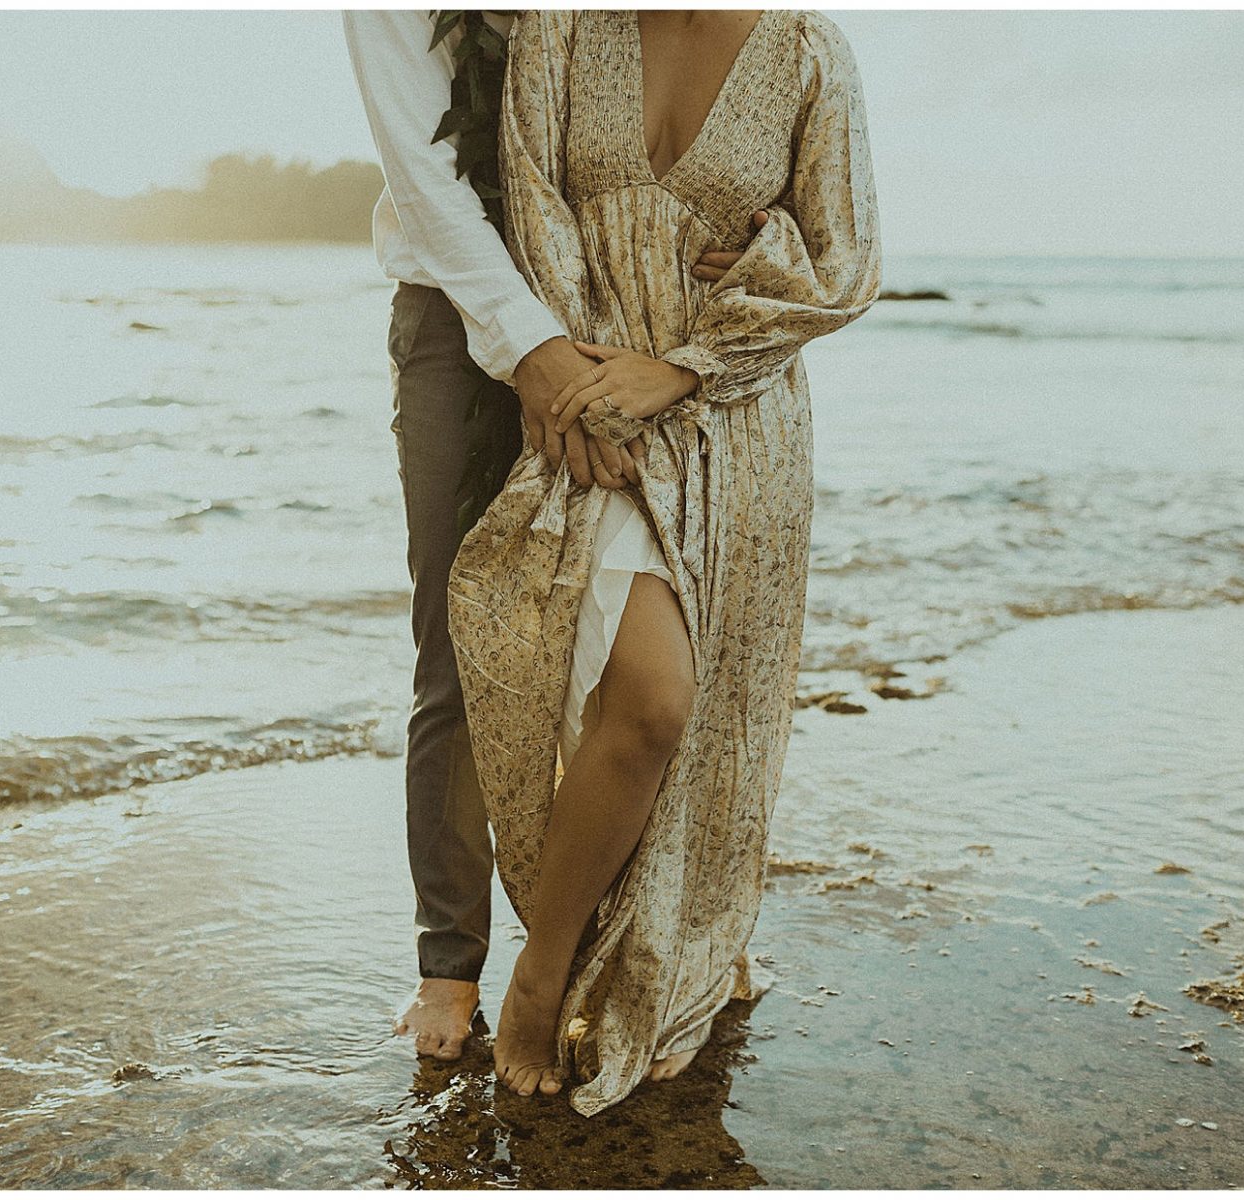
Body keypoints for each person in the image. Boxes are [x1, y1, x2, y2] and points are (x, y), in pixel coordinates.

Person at [446, 9, 882, 1116]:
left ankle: (664, 946)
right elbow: (533, 211)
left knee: (698, 710)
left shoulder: (807, 51)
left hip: (735, 414)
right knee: (646, 697)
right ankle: (542, 977)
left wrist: (681, 366)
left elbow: (842, 262)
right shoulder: (561, 27)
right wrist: (595, 382)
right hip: (595, 408)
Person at [340, 11, 751, 1065]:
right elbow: (429, 180)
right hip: (461, 318)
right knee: (462, 642)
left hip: (632, 316)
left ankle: (651, 931)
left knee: (674, 626)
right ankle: (450, 962)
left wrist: (733, 225)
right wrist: (533, 352)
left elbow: (681, 87)